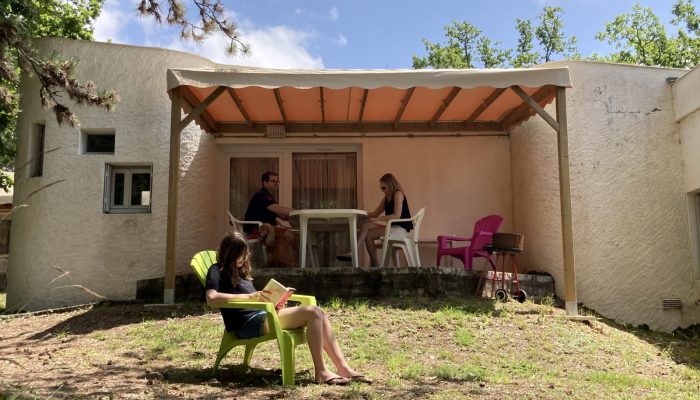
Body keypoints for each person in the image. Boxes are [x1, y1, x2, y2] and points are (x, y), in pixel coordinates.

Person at [205, 231, 372, 385]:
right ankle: (321, 372)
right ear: (229, 254)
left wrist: (275, 301)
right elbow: (211, 298)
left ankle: (343, 368)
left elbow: (255, 300)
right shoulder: (216, 270)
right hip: (249, 324)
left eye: (244, 256)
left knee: (320, 313)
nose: (242, 260)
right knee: (313, 313)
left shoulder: (240, 271)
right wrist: (248, 297)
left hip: (264, 315)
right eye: (238, 257)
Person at [339, 173, 412, 267]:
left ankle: (374, 264)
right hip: (391, 227)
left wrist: (376, 219)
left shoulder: (398, 194)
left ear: (391, 185)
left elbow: (396, 215)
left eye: (384, 188)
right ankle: (353, 253)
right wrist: (358, 214)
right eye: (381, 188)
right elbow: (375, 213)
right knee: (365, 226)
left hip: (399, 229)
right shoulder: (386, 198)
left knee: (368, 235)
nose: (382, 191)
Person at [243, 171, 295, 237]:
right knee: (290, 236)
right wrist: (297, 212)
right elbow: (281, 211)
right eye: (273, 181)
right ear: (265, 182)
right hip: (256, 231)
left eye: (277, 182)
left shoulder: (267, 196)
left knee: (291, 234)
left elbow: (282, 215)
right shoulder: (262, 195)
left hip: (264, 229)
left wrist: (294, 219)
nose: (276, 184)